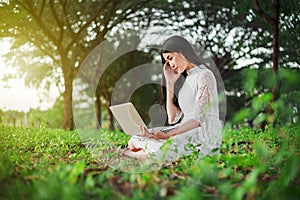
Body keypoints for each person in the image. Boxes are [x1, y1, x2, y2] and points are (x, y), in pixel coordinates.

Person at [119, 35, 223, 161]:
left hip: (202, 133)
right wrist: (170, 83)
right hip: (184, 129)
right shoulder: (186, 79)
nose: (170, 65)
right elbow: (173, 118)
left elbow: (198, 120)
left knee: (152, 147)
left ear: (182, 52)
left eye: (170, 58)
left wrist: (167, 134)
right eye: (167, 62)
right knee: (135, 138)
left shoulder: (205, 76)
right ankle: (142, 151)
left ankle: (132, 154)